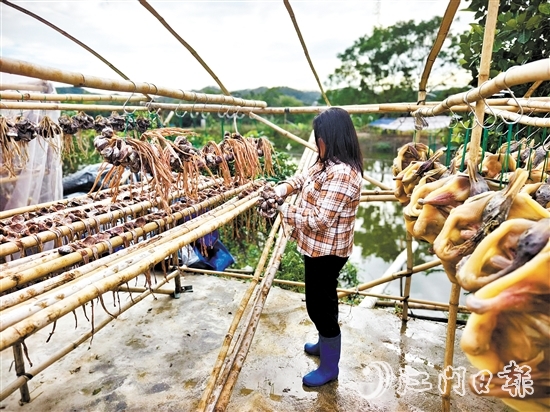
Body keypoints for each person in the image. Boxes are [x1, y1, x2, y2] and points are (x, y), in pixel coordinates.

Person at [273, 107, 363, 387]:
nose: (316, 142)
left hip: (327, 252)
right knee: (324, 301)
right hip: (316, 248)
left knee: (319, 307)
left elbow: (320, 220)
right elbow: (303, 178)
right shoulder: (326, 163)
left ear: (332, 137)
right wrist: (283, 189)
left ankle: (329, 367)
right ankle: (325, 344)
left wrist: (283, 209)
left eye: (319, 137)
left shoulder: (343, 174)